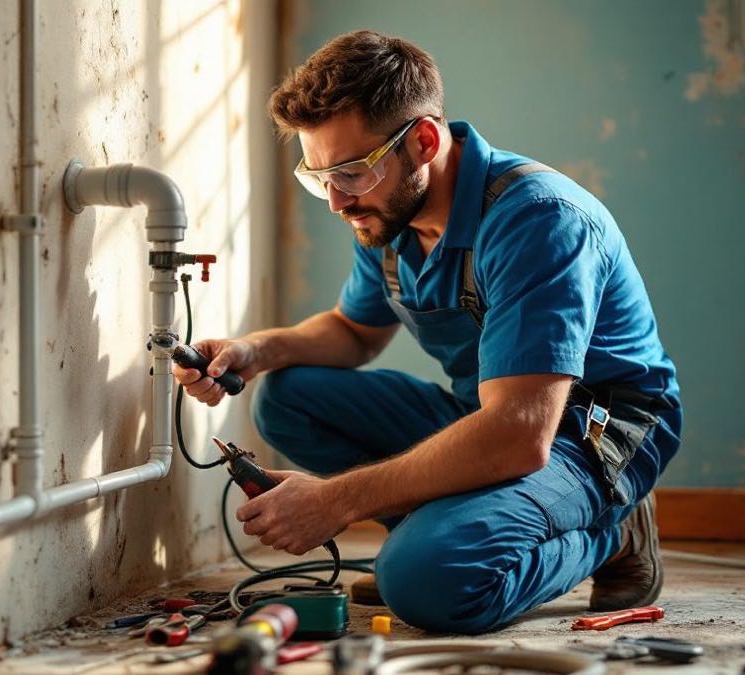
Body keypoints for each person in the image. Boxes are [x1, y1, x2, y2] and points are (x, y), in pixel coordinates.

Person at [173, 30, 682, 634]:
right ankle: (431, 537)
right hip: (493, 415)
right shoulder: (388, 214)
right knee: (287, 397)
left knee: (426, 584)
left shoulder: (538, 221)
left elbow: (520, 436)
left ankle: (611, 531)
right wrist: (254, 349)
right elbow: (353, 333)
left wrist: (336, 500)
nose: (335, 201)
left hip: (588, 435)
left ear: (423, 141)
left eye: (350, 173)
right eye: (318, 177)